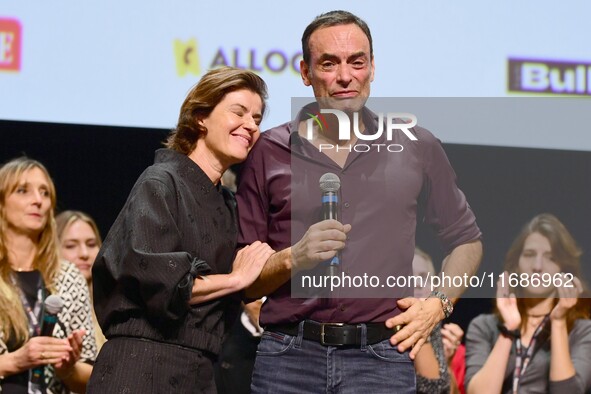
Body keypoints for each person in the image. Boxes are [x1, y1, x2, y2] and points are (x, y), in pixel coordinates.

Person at [236, 10, 483, 393]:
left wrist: (438, 304)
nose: (345, 76)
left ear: (372, 67)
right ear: (305, 72)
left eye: (357, 61)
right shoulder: (269, 150)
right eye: (329, 64)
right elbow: (246, 283)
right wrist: (292, 258)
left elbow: (466, 241)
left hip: (382, 360)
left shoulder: (417, 146)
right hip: (289, 359)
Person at [87, 66, 274, 393]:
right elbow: (160, 280)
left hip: (199, 371)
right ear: (201, 116)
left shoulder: (226, 202)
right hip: (141, 364)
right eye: (239, 112)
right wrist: (235, 279)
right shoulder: (160, 181)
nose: (251, 126)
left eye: (257, 119)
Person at [0, 157, 97, 394]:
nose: (38, 200)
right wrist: (15, 361)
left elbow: (91, 373)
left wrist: (68, 370)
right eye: (23, 191)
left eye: (45, 193)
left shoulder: (69, 277)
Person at [465, 213, 591, 393]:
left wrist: (559, 322)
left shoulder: (582, 331)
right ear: (516, 265)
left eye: (551, 257)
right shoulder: (484, 326)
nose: (538, 266)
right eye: (530, 255)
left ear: (564, 269)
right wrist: (508, 329)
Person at [56, 210, 107, 350]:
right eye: (71, 246)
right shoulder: (50, 309)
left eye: (91, 244)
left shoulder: (112, 305)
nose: (84, 254)